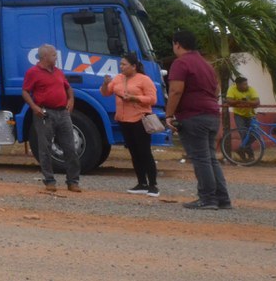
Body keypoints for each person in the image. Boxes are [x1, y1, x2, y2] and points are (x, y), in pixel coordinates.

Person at [164, 30, 232, 210]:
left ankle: (207, 198)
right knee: (210, 158)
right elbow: (216, 90)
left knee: (201, 159)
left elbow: (176, 90)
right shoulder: (206, 64)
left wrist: (169, 115)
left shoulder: (181, 63)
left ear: (177, 44)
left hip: (193, 116)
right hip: (211, 114)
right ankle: (222, 199)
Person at [21, 44, 81, 193]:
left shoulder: (58, 72)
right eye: (54, 55)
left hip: (63, 113)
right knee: (45, 148)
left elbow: (67, 87)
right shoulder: (33, 72)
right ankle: (49, 180)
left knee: (70, 148)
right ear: (44, 57)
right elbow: (25, 92)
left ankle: (73, 181)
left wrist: (71, 100)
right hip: (45, 113)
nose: (56, 57)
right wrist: (34, 107)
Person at [101, 53, 159, 196]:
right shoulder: (118, 78)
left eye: (124, 64)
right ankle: (141, 183)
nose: (121, 67)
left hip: (140, 119)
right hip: (123, 120)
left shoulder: (144, 79)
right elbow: (106, 93)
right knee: (134, 152)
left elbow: (152, 99)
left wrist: (134, 98)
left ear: (133, 66)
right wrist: (105, 83)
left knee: (145, 152)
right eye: (120, 64)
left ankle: (153, 185)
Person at [226, 75, 261, 160]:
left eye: (246, 83)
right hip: (239, 115)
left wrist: (246, 102)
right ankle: (251, 156)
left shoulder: (251, 89)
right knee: (244, 134)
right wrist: (239, 101)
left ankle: (240, 149)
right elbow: (229, 101)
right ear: (238, 85)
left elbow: (257, 102)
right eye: (244, 84)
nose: (246, 85)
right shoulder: (232, 89)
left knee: (256, 135)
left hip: (251, 115)